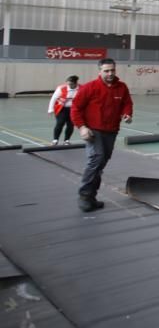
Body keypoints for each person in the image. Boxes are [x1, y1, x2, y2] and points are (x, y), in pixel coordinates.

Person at [70, 59, 133, 213]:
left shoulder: (122, 87)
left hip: (111, 131)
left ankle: (91, 197)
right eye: (106, 71)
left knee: (100, 165)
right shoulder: (89, 88)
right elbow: (76, 108)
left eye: (112, 70)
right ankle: (84, 195)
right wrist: (82, 127)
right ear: (100, 71)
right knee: (96, 159)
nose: (110, 73)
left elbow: (127, 103)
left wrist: (127, 114)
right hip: (93, 131)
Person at [47, 75, 80, 145]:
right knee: (60, 123)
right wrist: (50, 109)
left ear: (75, 83)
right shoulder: (61, 88)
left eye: (71, 84)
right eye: (68, 83)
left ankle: (66, 140)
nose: (68, 85)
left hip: (73, 109)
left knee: (70, 125)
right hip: (62, 109)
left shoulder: (81, 88)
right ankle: (55, 140)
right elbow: (54, 98)